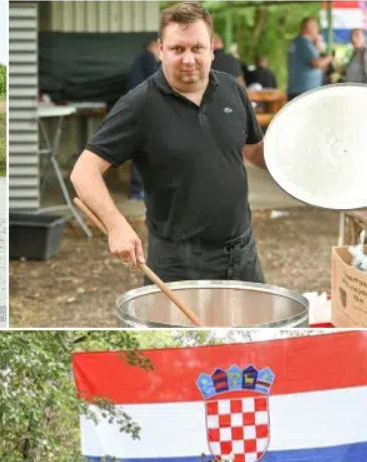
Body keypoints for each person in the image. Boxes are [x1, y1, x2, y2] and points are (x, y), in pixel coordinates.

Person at [73, 2, 268, 284]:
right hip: (177, 261)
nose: (188, 59)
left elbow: (254, 151)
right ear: (161, 50)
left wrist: (299, 162)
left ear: (211, 49)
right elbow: (83, 172)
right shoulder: (138, 105)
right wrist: (116, 225)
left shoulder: (233, 90)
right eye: (178, 49)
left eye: (197, 48)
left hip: (242, 252)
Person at [287, 18, 332, 99]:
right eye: (316, 27)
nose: (318, 30)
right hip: (304, 91)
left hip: (297, 89)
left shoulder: (297, 42)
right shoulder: (304, 43)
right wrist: (329, 57)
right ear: (309, 27)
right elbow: (317, 63)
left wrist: (317, 48)